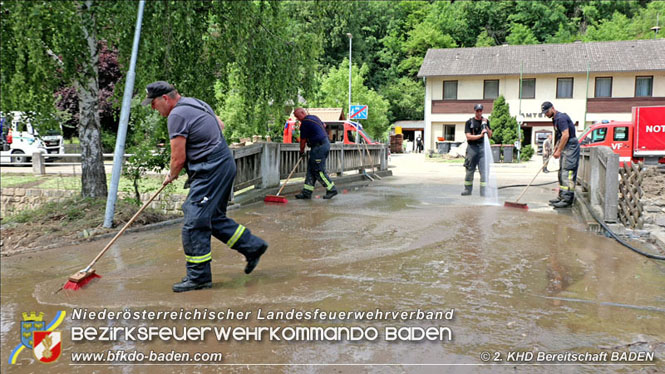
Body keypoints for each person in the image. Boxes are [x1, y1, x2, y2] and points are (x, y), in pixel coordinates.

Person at [143, 81, 268, 292]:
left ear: (165, 98)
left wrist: (171, 175)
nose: (153, 109)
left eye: (153, 103)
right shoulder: (195, 103)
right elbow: (220, 125)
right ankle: (252, 246)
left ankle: (198, 277)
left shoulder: (176, 115)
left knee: (194, 220)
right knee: (211, 218)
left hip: (211, 169)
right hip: (222, 163)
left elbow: (178, 157)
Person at [293, 107, 338, 199]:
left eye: (298, 116)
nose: (298, 119)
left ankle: (331, 189)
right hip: (322, 145)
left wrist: (301, 151)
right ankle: (307, 192)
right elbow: (324, 125)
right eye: (296, 117)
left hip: (319, 147)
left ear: (302, 113)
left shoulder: (305, 123)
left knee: (318, 170)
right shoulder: (314, 117)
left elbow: (303, 140)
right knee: (311, 169)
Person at [542, 101, 580, 208]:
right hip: (566, 146)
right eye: (545, 113)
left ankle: (567, 199)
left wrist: (559, 150)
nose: (546, 114)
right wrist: (556, 147)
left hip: (571, 146)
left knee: (567, 172)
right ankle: (562, 196)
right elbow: (559, 136)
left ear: (552, 108)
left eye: (547, 112)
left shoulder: (561, 118)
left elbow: (565, 135)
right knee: (561, 172)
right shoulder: (555, 119)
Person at [462, 104, 492, 196]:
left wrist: (485, 125)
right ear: (474, 111)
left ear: (482, 111)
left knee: (484, 171)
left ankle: (483, 191)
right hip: (472, 148)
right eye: (477, 111)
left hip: (483, 148)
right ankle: (467, 190)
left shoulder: (486, 121)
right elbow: (468, 136)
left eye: (480, 111)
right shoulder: (469, 122)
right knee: (470, 170)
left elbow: (490, 135)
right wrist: (480, 135)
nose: (479, 112)